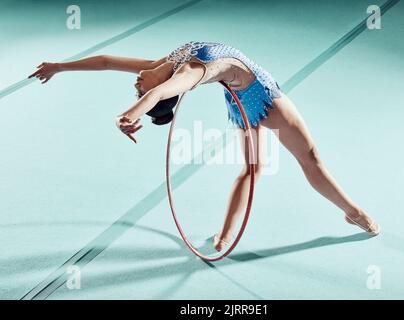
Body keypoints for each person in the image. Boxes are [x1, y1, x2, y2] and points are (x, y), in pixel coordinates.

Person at [29, 41, 380, 252]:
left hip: (264, 95)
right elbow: (159, 93)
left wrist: (59, 66)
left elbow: (107, 62)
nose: (136, 85)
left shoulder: (163, 67)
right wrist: (132, 111)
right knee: (252, 169)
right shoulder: (186, 75)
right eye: (138, 92)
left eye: (137, 90)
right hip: (244, 98)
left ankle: (353, 212)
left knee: (310, 158)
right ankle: (225, 234)